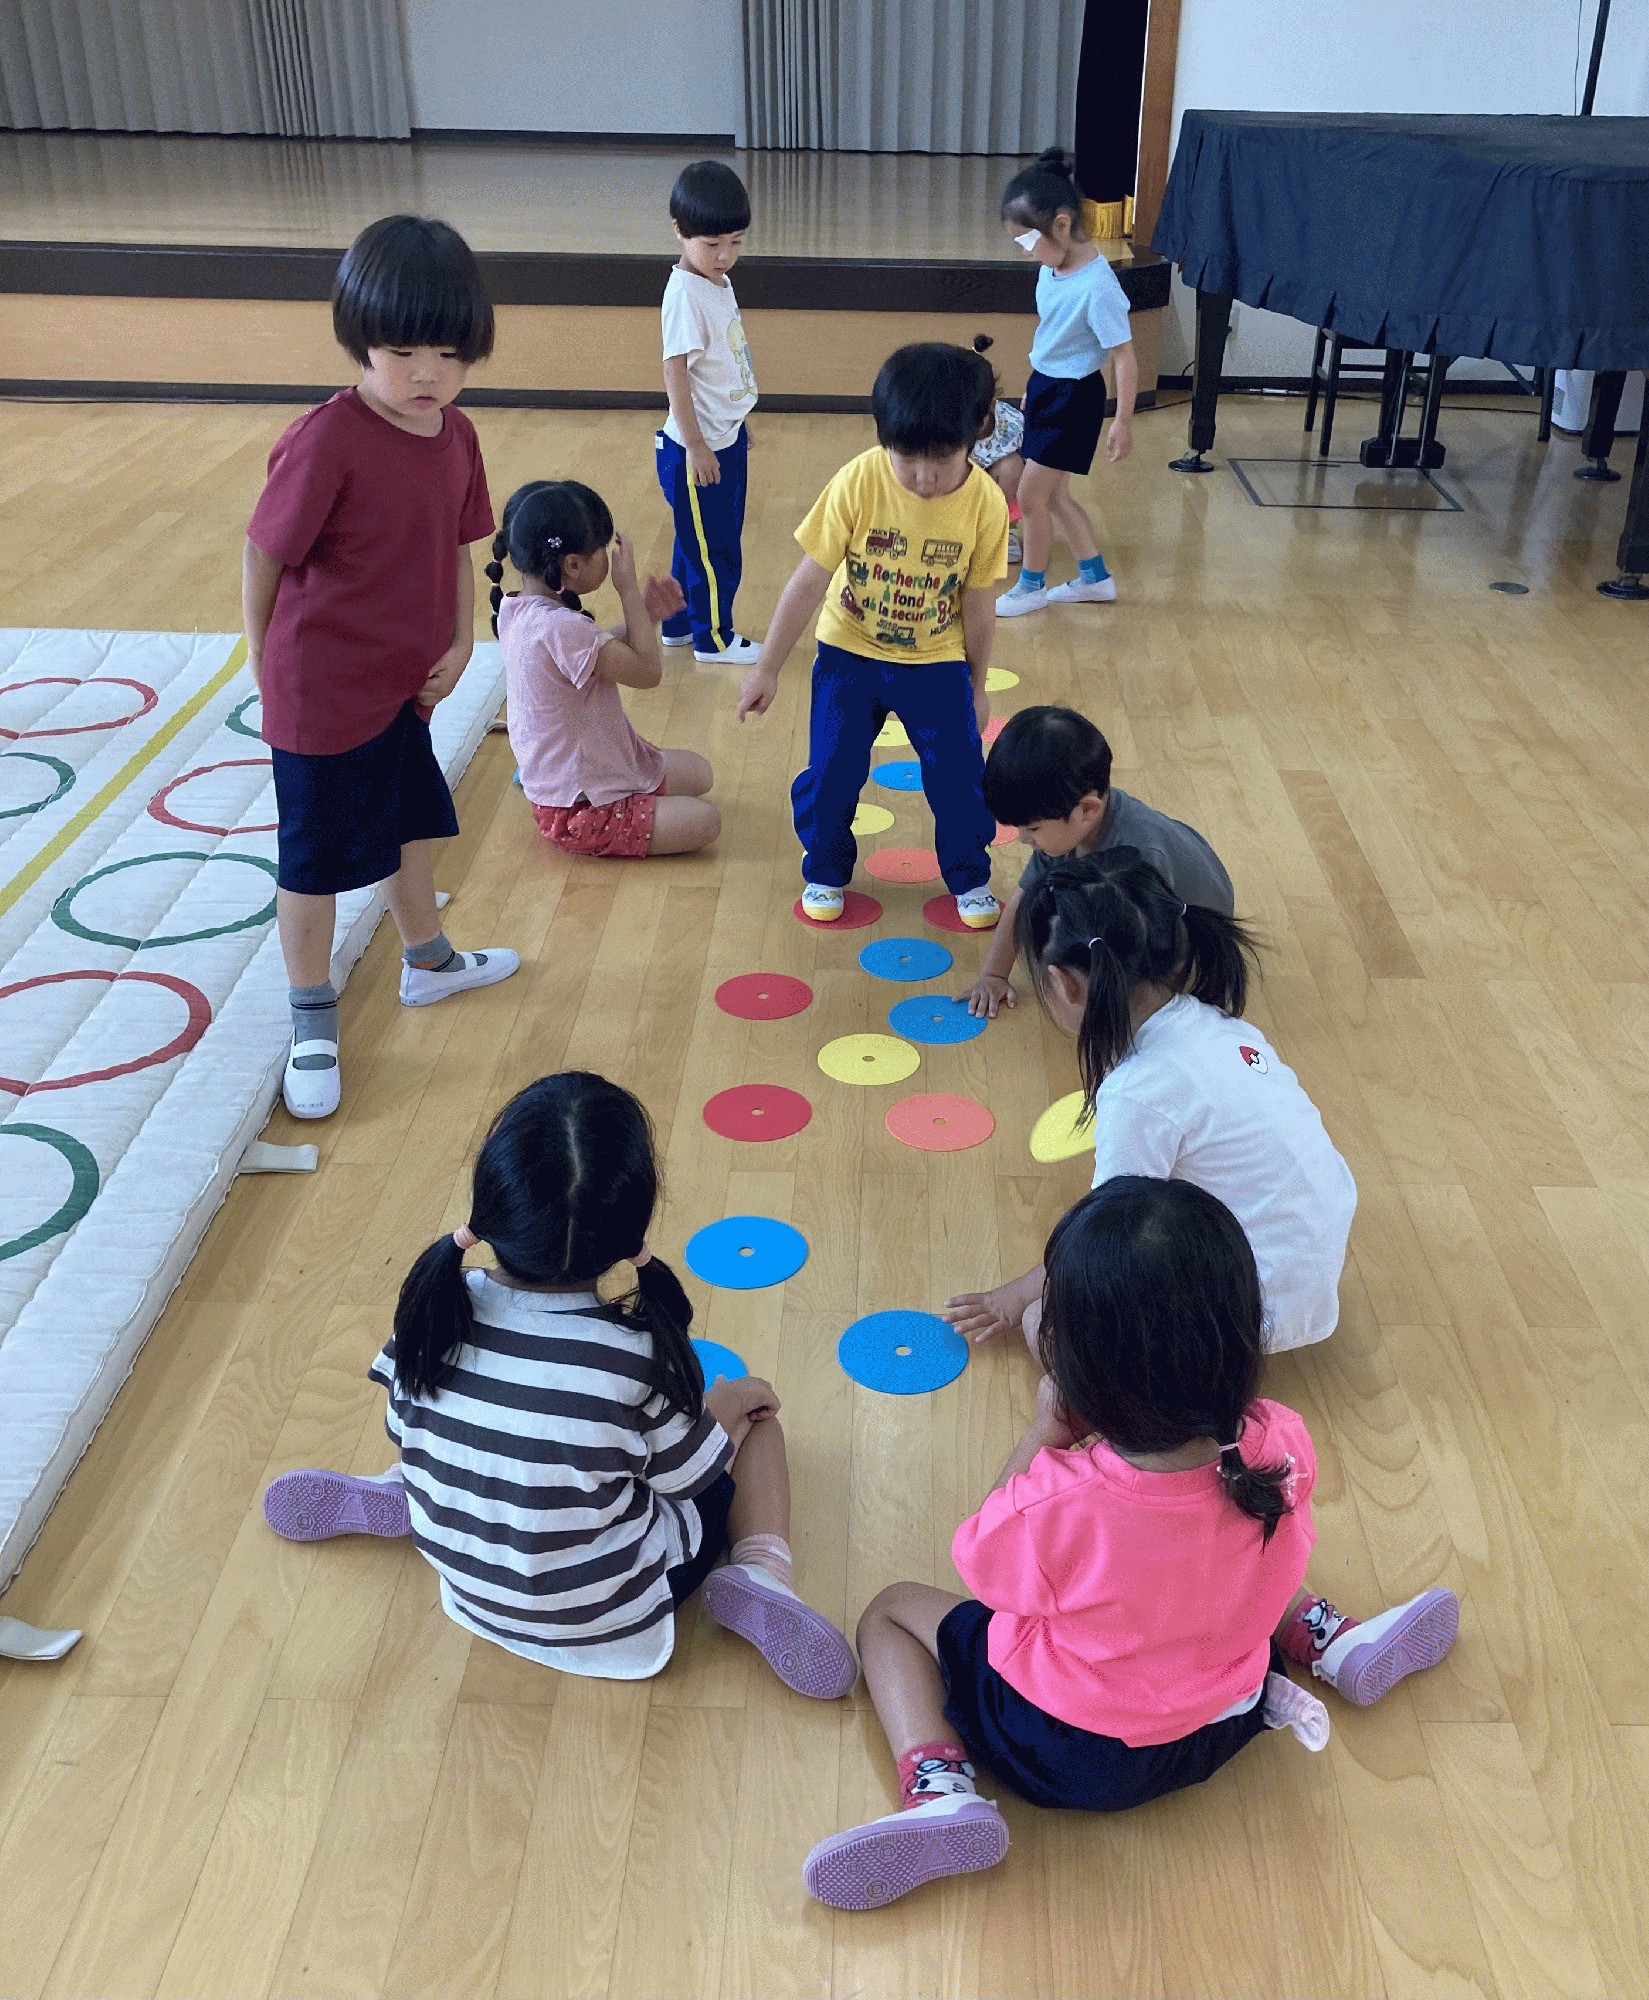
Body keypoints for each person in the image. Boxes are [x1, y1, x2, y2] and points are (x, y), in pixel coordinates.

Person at [804, 1177, 1460, 1910]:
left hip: (1069, 1758)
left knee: (891, 1611)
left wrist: (1042, 1432)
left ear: (1074, 1371)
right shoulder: (1278, 1443)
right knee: (1253, 1553)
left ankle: (940, 1790)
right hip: (1225, 1723)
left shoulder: (1062, 1504)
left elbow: (982, 1559)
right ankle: (1331, 1640)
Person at [262, 1072, 856, 1696]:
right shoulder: (635, 1357)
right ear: (630, 1227)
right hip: (609, 1615)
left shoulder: (437, 1311)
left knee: (479, 1426)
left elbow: (402, 1425)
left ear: (493, 1204)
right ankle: (761, 1573)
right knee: (757, 1429)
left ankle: (408, 1494)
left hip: (469, 1589)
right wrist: (731, 1401)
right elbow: (689, 1477)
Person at [243, 214, 519, 1123]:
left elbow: (455, 544)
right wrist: (261, 660)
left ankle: (428, 959)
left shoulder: (456, 434)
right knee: (314, 862)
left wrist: (461, 643)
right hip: (321, 692)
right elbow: (265, 552)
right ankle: (311, 1016)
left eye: (448, 353)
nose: (427, 373)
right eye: (403, 353)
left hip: (407, 686)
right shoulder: (326, 440)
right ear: (359, 340)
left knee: (410, 823)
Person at [944, 851, 1356, 1354]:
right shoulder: (1222, 1027)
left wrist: (1013, 1298)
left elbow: (1104, 1236)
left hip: (1251, 1311)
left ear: (1064, 984)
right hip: (1303, 1272)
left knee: (1039, 1322)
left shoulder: (1139, 1093)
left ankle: (1152, 1390)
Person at [737, 342, 1009, 930]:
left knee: (959, 775)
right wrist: (766, 668)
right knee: (832, 771)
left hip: (937, 662)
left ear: (979, 430)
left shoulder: (985, 503)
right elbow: (808, 582)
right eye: (906, 458)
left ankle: (969, 873)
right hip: (849, 655)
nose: (923, 478)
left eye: (941, 460)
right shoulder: (859, 481)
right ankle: (825, 866)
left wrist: (977, 683)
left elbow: (978, 603)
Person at [489, 479, 719, 859]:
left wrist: (645, 615)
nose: (609, 557)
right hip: (580, 809)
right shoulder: (561, 628)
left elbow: (592, 653)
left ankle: (563, 782)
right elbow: (648, 672)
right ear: (573, 565)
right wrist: (628, 591)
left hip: (585, 771)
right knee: (706, 821)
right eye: (602, 549)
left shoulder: (518, 609)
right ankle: (586, 809)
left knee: (700, 773)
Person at [963, 705, 1233, 1017]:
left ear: (1087, 810)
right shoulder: (1071, 819)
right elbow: (1024, 899)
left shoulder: (1139, 856)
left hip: (1189, 937)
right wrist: (994, 974)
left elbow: (1151, 948)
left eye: (1033, 829)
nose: (1023, 839)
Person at [994, 149, 1136, 618]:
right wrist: (1033, 385)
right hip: (1047, 388)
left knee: (1030, 496)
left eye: (1028, 240)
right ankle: (1095, 580)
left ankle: (1031, 586)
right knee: (1053, 496)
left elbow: (1124, 355)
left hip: (1074, 399)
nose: (1026, 251)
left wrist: (1122, 421)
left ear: (1061, 224)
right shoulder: (1051, 270)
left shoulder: (1098, 287)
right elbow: (1052, 337)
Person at [656, 160, 762, 664]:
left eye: (736, 243)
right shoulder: (684, 294)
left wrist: (738, 419)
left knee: (694, 539)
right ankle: (713, 638)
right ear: (679, 231)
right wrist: (697, 444)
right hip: (696, 449)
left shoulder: (716, 280)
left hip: (724, 436)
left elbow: (720, 363)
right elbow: (675, 372)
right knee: (714, 549)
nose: (725, 255)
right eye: (712, 244)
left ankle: (679, 624)